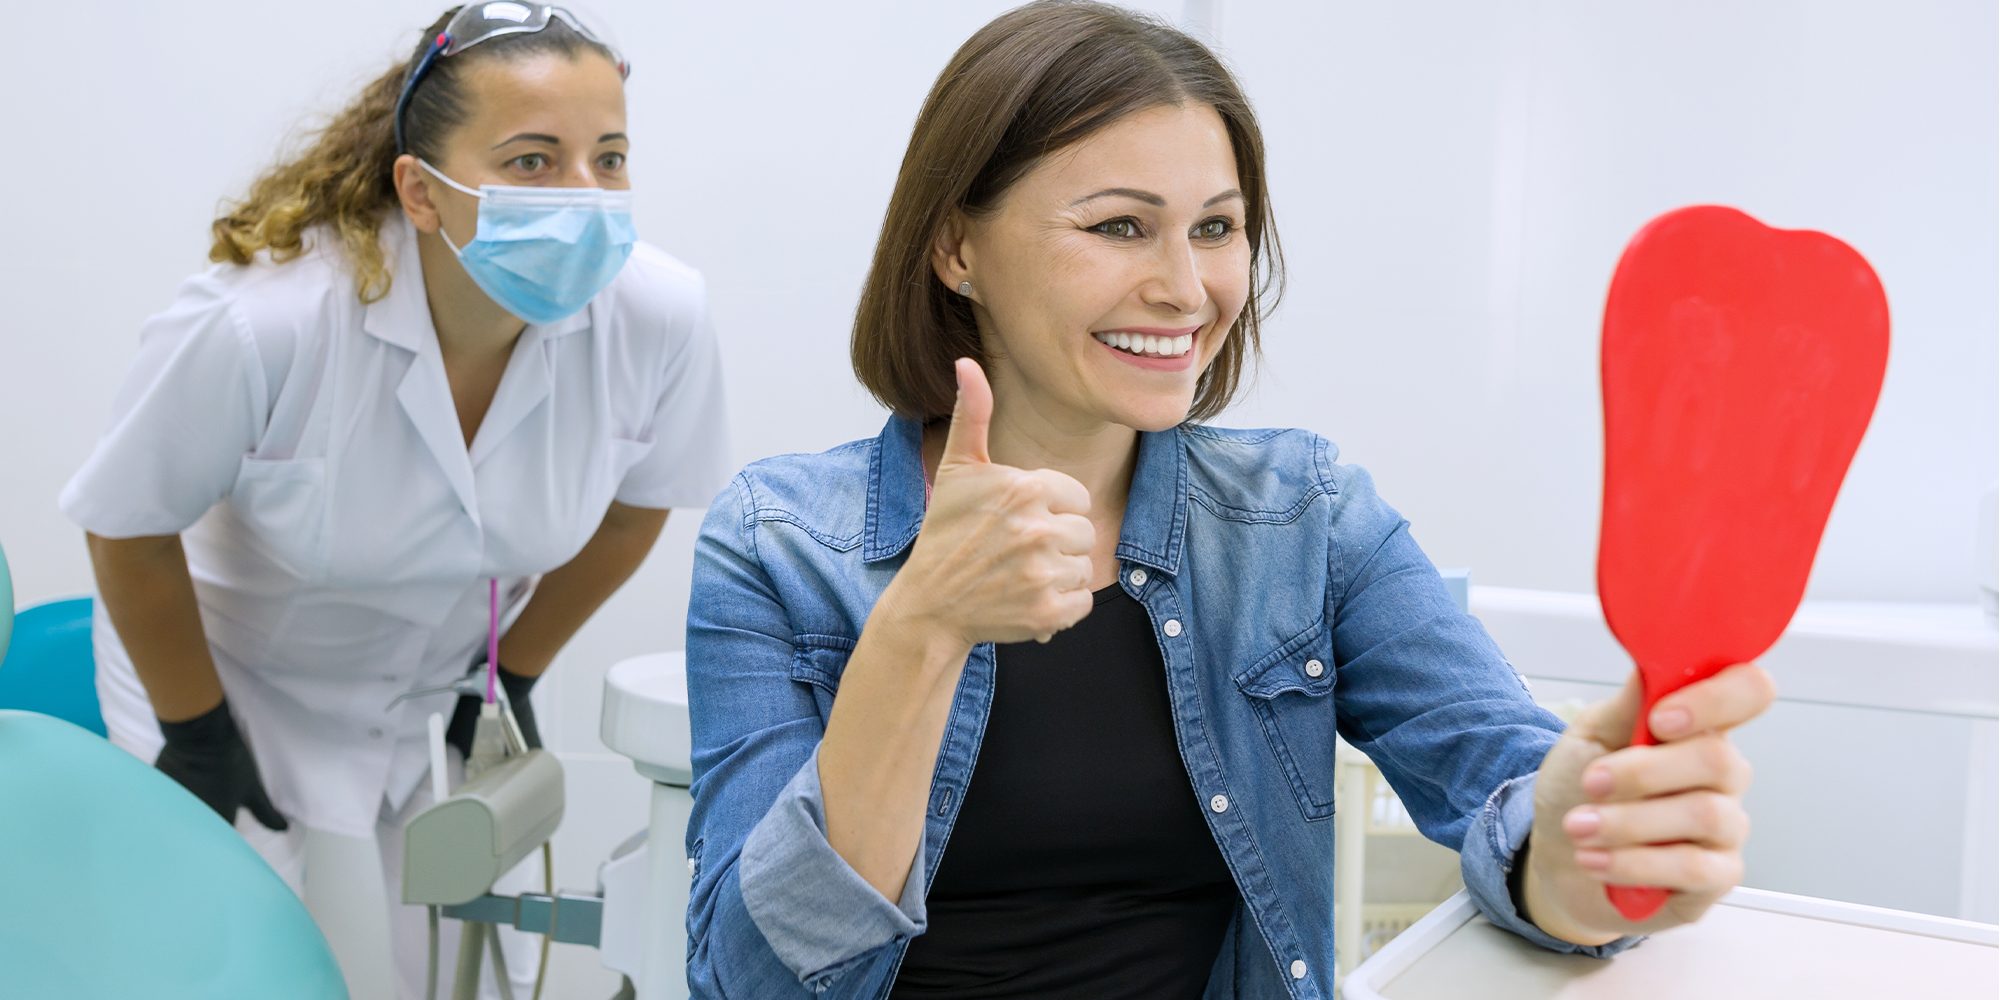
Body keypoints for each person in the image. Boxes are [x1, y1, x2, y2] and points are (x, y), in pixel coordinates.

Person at [680, 3, 1773, 998]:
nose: (1186, 288)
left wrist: (1578, 861)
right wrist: (919, 628)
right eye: (1119, 226)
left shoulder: (1307, 516)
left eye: (1215, 228)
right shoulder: (778, 542)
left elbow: (1510, 790)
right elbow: (749, 978)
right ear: (957, 247)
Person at [60, 4, 730, 997]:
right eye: (534, 161)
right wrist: (194, 730)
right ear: (420, 191)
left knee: (482, 967)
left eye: (610, 158)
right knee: (229, 961)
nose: (585, 198)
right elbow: (128, 527)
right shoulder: (266, 323)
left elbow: (636, 511)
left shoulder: (656, 317)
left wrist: (511, 672)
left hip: (444, 675)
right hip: (228, 667)